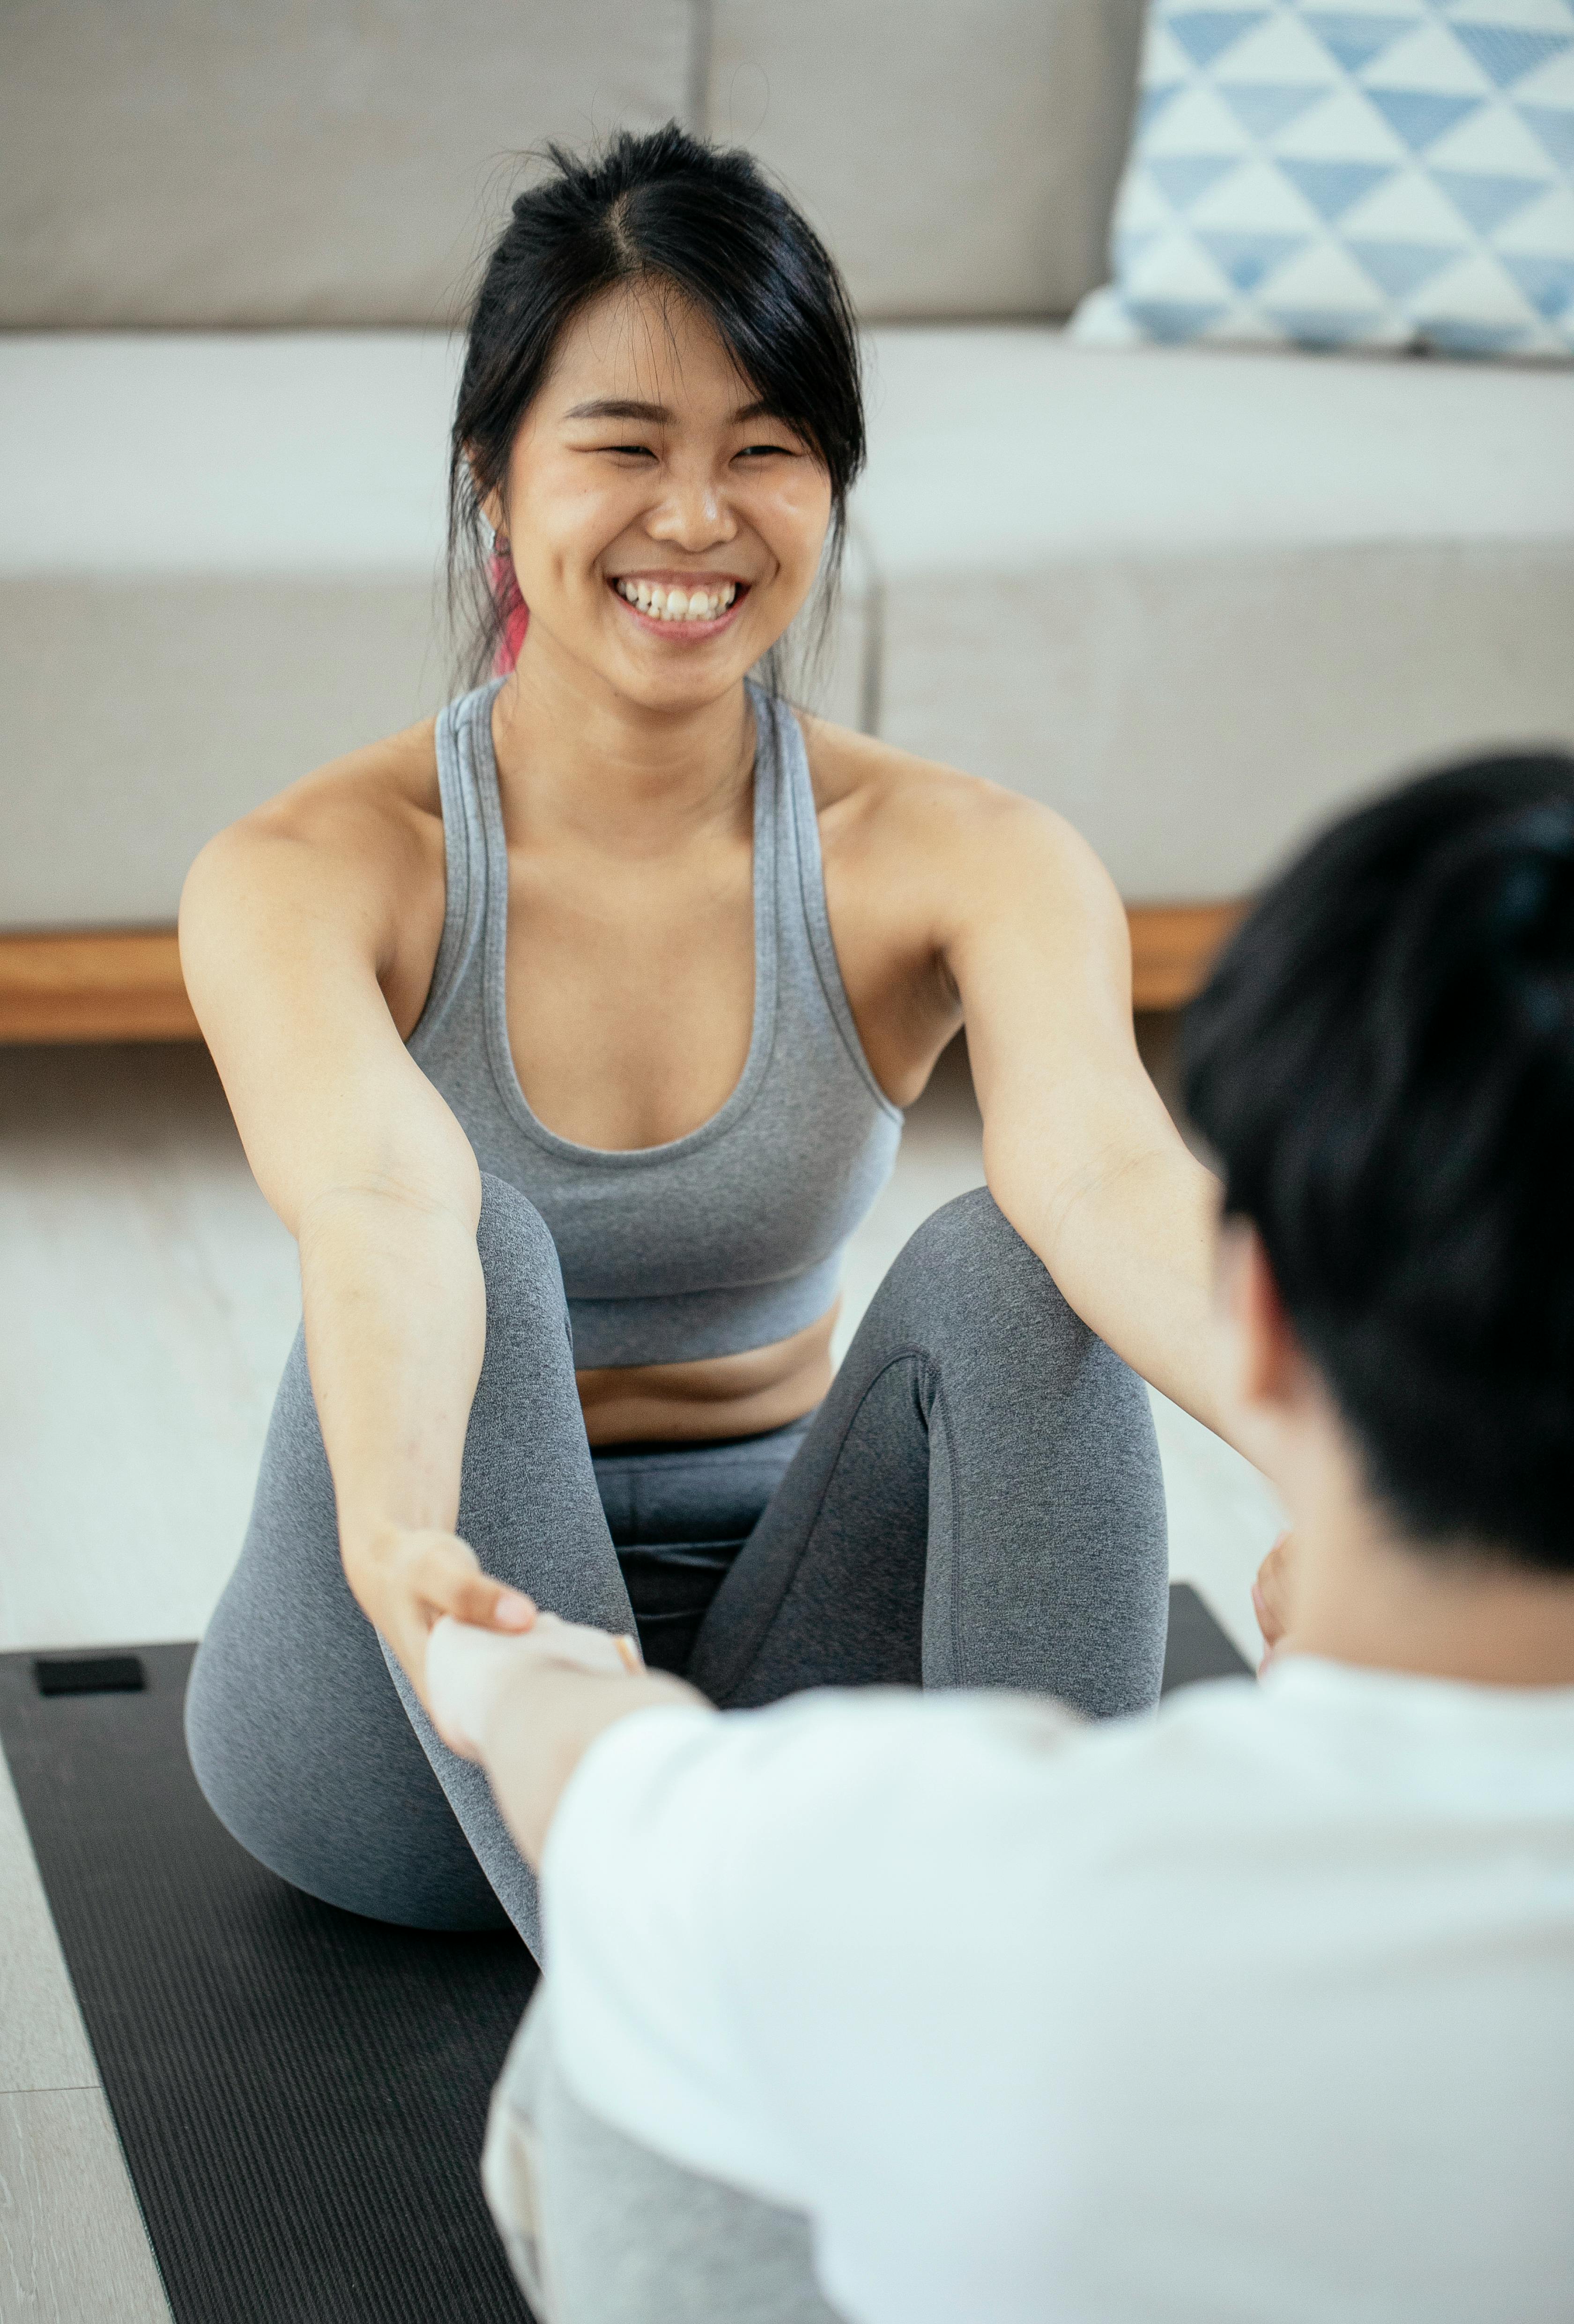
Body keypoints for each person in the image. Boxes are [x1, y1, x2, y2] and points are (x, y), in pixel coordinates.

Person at [181, 125, 1241, 1955]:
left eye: (767, 451)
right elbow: (386, 1212)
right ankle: (680, 1992)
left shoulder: (960, 854)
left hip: (790, 1635)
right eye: (622, 448)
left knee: (1016, 1264)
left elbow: (1106, 1175)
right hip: (422, 1685)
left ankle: (1045, 1951)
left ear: (832, 487)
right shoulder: (314, 870)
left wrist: (1365, 1473)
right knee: (485, 1237)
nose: (697, 518)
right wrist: (399, 1548)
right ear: (493, 486)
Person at [425, 752, 1574, 2324]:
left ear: (1256, 1313)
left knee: (627, 2009)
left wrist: (512, 1670)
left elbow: (608, 1783)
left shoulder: (928, 1874)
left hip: (740, 1882)